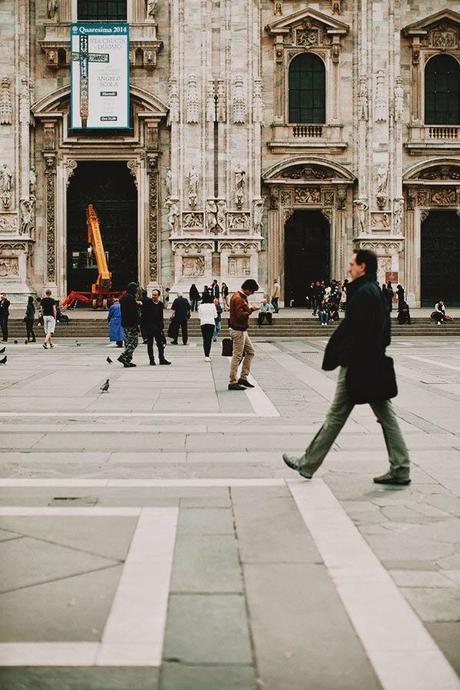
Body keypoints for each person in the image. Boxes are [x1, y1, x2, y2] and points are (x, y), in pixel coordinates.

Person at [282, 249, 410, 486]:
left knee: (336, 416)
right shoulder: (374, 291)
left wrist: (345, 356)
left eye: (352, 264)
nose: (349, 268)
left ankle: (308, 463)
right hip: (371, 363)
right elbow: (382, 332)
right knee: (385, 416)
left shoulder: (364, 293)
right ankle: (401, 467)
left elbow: (356, 331)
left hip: (359, 365)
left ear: (362, 267)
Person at [228, 278, 259, 391]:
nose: (252, 293)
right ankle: (232, 381)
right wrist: (251, 309)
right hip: (238, 330)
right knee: (237, 356)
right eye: (252, 291)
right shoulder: (238, 298)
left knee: (251, 351)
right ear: (247, 289)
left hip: (242, 330)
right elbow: (240, 315)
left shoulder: (241, 297)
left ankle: (243, 377)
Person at [141, 289, 171, 365]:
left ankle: (162, 359)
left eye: (155, 295)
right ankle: (151, 360)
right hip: (149, 327)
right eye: (153, 295)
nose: (154, 296)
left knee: (160, 344)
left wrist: (161, 326)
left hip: (158, 327)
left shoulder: (160, 304)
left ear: (158, 296)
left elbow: (161, 316)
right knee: (150, 344)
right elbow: (144, 315)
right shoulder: (147, 303)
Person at [118, 282, 141, 367]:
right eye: (136, 288)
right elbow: (133, 311)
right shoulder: (131, 298)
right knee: (134, 342)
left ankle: (127, 360)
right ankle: (123, 356)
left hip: (125, 323)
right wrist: (138, 305)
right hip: (131, 323)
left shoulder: (124, 297)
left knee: (128, 342)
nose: (137, 290)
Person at [198, 292, 218, 361]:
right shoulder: (212, 305)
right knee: (209, 339)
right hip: (211, 323)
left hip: (203, 323)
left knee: (205, 339)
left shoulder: (200, 306)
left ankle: (205, 354)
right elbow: (215, 316)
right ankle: (207, 355)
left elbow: (199, 316)